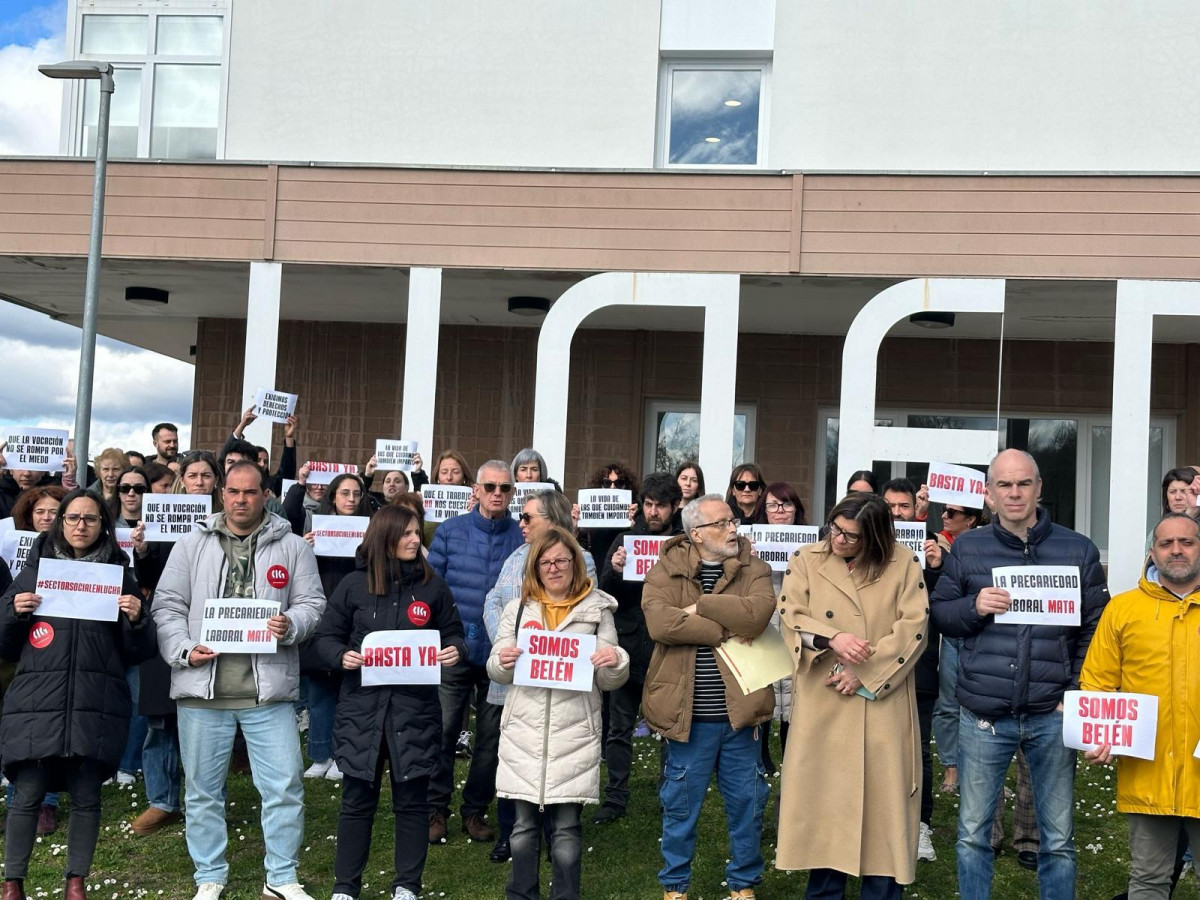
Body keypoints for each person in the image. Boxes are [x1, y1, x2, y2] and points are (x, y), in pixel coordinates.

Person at [930, 449, 1110, 900]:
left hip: (1052, 713)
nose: (1014, 493)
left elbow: (1096, 628)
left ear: (1039, 488)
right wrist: (973, 607)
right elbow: (942, 615)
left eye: (1023, 483)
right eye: (1004, 485)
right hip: (984, 714)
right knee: (972, 834)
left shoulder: (1078, 548)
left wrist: (1075, 690)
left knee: (1060, 841)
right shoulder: (968, 547)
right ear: (989, 494)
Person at [152, 461, 326, 900]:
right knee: (203, 791)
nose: (241, 500)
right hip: (202, 689)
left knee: (285, 787)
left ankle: (281, 878)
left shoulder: (293, 547)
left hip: (267, 692)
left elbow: (312, 603)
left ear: (265, 494)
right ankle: (209, 875)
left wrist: (292, 624)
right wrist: (184, 649)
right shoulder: (191, 544)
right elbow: (167, 605)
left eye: (250, 492)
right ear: (221, 494)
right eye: (233, 492)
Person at [0, 489, 156, 900]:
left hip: (96, 700)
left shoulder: (119, 575)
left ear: (103, 525)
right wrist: (13, 612)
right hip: (38, 701)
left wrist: (138, 619)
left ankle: (76, 883)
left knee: (87, 796)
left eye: (90, 518)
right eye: (72, 518)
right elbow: (3, 642)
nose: (80, 525)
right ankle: (12, 883)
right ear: (60, 522)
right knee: (27, 794)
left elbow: (139, 652)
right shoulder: (34, 572)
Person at [777, 492, 929, 898]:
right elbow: (790, 615)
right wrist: (833, 637)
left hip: (882, 701)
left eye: (852, 536)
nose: (839, 540)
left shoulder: (904, 563)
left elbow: (914, 627)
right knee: (827, 815)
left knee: (884, 820)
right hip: (824, 701)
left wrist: (865, 673)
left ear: (875, 538)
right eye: (836, 530)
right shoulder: (806, 558)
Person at [311, 505, 466, 900]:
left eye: (418, 533)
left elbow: (454, 632)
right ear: (386, 537)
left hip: (414, 712)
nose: (417, 540)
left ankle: (406, 886)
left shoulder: (433, 587)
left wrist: (453, 649)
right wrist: (341, 656)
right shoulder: (352, 585)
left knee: (412, 802)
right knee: (356, 802)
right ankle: (345, 888)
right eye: (408, 533)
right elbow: (326, 637)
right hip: (362, 711)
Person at [642, 493, 775, 900]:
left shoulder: (755, 566)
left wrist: (701, 606)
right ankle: (675, 885)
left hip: (742, 714)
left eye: (733, 521)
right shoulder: (666, 568)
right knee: (680, 806)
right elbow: (661, 624)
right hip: (688, 716)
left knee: (747, 806)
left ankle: (743, 884)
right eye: (722, 523)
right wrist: (722, 627)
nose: (732, 528)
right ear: (696, 533)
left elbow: (756, 616)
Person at [488, 527, 629, 900]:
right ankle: (521, 894)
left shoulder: (597, 609)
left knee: (566, 831)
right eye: (546, 562)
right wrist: (502, 661)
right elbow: (496, 668)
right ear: (535, 567)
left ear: (576, 564)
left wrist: (615, 661)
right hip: (524, 731)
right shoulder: (517, 609)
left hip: (574, 732)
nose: (554, 568)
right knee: (521, 828)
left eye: (562, 561)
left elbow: (611, 677)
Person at [1080, 512, 1200, 899]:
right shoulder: (1124, 609)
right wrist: (1098, 734)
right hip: (1149, 774)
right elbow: (1097, 683)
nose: (1177, 550)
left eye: (1187, 542)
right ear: (1153, 553)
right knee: (1148, 883)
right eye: (1167, 544)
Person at [481, 489, 597, 860]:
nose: (522, 523)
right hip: (518, 680)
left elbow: (583, 613)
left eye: (529, 517)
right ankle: (508, 834)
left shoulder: (583, 560)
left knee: (555, 764)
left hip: (562, 690)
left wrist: (548, 647)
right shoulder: (516, 556)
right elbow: (494, 604)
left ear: (552, 519)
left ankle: (552, 838)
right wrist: (509, 647)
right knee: (514, 759)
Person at [426, 460, 523, 844]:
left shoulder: (522, 536)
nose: (498, 493)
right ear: (476, 491)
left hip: (503, 654)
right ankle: (435, 808)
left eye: (505, 488)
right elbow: (431, 587)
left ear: (513, 493)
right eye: (491, 486)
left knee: (492, 737)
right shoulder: (450, 532)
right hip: (454, 649)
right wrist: (439, 639)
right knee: (444, 729)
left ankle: (475, 810)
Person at [593, 472, 683, 824]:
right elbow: (604, 595)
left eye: (661, 505)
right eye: (648, 504)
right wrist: (616, 571)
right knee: (619, 727)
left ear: (675, 507)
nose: (654, 512)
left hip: (667, 648)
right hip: (629, 644)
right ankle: (615, 797)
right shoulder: (625, 539)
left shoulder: (684, 545)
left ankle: (668, 797)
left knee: (668, 729)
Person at [295, 472, 373, 782]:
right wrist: (304, 548)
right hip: (322, 616)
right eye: (345, 494)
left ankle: (343, 755)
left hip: (357, 616)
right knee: (319, 691)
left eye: (356, 493)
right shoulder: (316, 528)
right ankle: (319, 755)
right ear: (333, 497)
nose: (351, 499)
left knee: (349, 691)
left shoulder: (371, 529)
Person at [880, 476, 942, 863]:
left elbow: (943, 603)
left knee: (917, 749)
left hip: (919, 668)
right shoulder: (864, 545)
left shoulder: (931, 546)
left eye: (903, 507)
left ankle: (920, 827)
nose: (896, 514)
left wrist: (936, 567)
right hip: (873, 664)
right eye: (889, 507)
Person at [579, 461, 640, 573]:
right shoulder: (589, 516)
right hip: (596, 572)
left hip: (623, 574)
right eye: (607, 483)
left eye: (619, 483)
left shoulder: (637, 513)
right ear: (600, 486)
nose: (612, 488)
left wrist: (636, 524)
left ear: (627, 486)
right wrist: (575, 526)